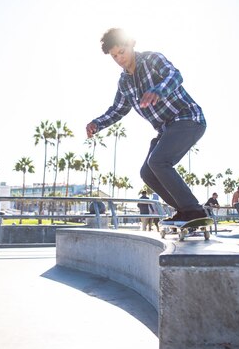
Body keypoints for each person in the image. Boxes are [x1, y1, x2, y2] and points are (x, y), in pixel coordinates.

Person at [86, 28, 207, 225]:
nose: (119, 59)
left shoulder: (152, 60)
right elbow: (117, 109)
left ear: (131, 44)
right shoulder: (124, 83)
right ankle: (185, 211)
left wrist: (158, 90)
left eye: (122, 52)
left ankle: (195, 211)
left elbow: (175, 76)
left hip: (188, 118)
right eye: (114, 56)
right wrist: (97, 123)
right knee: (147, 172)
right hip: (166, 128)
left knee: (158, 161)